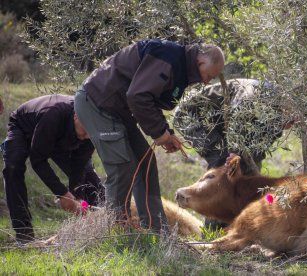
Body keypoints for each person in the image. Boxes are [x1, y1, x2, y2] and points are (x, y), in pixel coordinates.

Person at [74, 39, 225, 233]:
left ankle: (156, 230)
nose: (207, 81)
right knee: (122, 166)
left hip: (117, 111)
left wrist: (166, 133)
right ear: (201, 63)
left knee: (146, 164)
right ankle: (115, 231)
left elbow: (149, 100)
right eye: (209, 76)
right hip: (97, 104)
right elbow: (138, 96)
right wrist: (158, 133)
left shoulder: (179, 66)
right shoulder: (168, 57)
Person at [173, 78, 296, 230]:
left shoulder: (276, 117)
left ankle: (244, 227)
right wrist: (234, 155)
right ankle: (214, 231)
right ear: (282, 107)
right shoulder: (253, 95)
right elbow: (237, 119)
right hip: (190, 116)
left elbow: (257, 152)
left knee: (248, 174)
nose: (290, 125)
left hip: (223, 125)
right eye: (290, 119)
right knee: (222, 166)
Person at [1, 94, 104, 243]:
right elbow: (38, 160)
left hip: (59, 137)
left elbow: (79, 166)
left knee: (89, 178)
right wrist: (62, 193)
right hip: (24, 128)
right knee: (13, 167)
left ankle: (106, 221)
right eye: (86, 130)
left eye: (91, 132)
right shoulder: (54, 114)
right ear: (77, 116)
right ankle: (24, 235)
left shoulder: (89, 131)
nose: (88, 136)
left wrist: (77, 199)